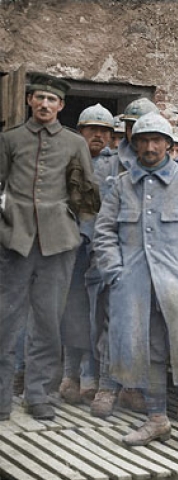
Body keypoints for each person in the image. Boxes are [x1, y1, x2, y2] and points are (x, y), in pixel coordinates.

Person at [93, 112, 178, 450]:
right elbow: (104, 232)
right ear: (134, 144)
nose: (150, 147)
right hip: (135, 287)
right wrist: (115, 272)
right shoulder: (122, 186)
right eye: (143, 140)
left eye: (157, 140)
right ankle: (156, 420)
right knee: (147, 352)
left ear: (169, 144)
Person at [0, 74, 97, 421]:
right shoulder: (10, 140)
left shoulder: (74, 144)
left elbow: (88, 194)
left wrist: (76, 231)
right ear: (29, 101)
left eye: (51, 100)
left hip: (58, 245)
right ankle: (1, 398)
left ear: (61, 106)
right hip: (14, 242)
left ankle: (37, 394)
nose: (44, 105)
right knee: (5, 320)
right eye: (39, 97)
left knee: (47, 321)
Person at [88, 96, 160, 418]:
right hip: (116, 260)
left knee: (148, 328)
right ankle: (107, 385)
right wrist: (110, 265)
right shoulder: (108, 164)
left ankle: (135, 388)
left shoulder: (168, 166)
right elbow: (100, 221)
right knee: (111, 323)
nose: (138, 133)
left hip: (153, 262)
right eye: (131, 126)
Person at [59, 103, 117, 405]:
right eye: (92, 129)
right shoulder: (67, 160)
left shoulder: (117, 165)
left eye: (104, 131)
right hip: (70, 248)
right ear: (80, 131)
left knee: (99, 315)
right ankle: (69, 373)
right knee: (73, 311)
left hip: (102, 251)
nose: (98, 135)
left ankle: (91, 374)